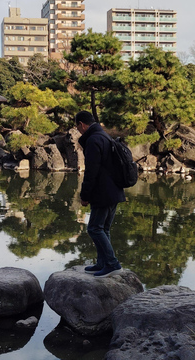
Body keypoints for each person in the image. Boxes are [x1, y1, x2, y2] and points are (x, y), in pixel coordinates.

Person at [76, 110, 126, 278]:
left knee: (94, 228)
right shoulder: (105, 136)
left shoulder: (93, 140)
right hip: (114, 191)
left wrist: (85, 195)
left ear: (82, 125)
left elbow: (91, 172)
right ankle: (102, 262)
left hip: (103, 192)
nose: (79, 131)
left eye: (78, 128)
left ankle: (112, 263)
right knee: (103, 228)